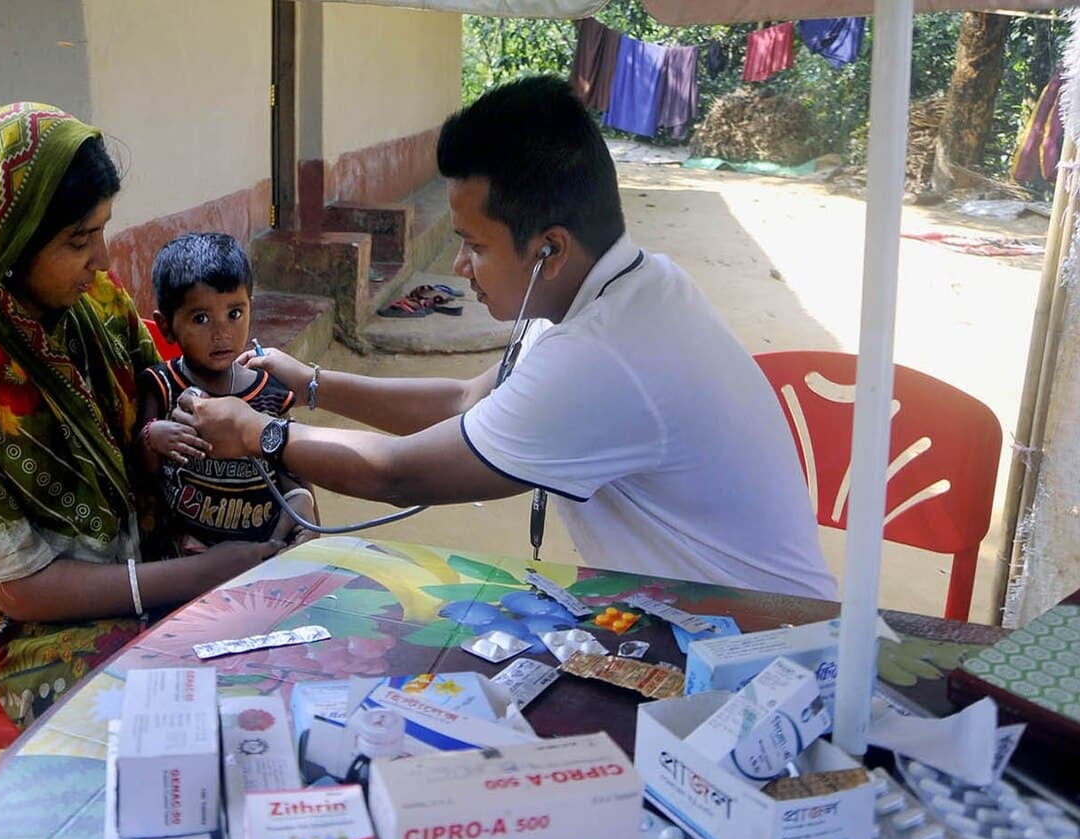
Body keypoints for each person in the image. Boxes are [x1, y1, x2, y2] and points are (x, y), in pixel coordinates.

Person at [176, 75, 838, 602]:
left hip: (758, 645)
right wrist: (311, 382)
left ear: (551, 248)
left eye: (475, 246)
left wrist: (260, 434)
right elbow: (467, 401)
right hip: (704, 614)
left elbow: (399, 473)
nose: (460, 267)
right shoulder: (630, 285)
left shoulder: (604, 354)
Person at [0, 104, 299, 727]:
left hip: (158, 543)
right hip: (37, 618)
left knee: (281, 644)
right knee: (178, 701)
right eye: (78, 240)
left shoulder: (95, 305)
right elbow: (21, 590)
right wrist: (196, 574)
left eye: (103, 231)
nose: (105, 260)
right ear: (5, 243)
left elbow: (170, 405)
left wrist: (263, 487)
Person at [137, 232, 318, 558]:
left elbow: (292, 471)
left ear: (251, 308)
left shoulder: (270, 391)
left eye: (235, 313)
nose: (221, 333)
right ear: (165, 327)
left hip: (260, 551)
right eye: (201, 318)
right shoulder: (161, 384)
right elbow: (141, 472)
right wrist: (152, 437)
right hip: (185, 556)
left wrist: (303, 505)